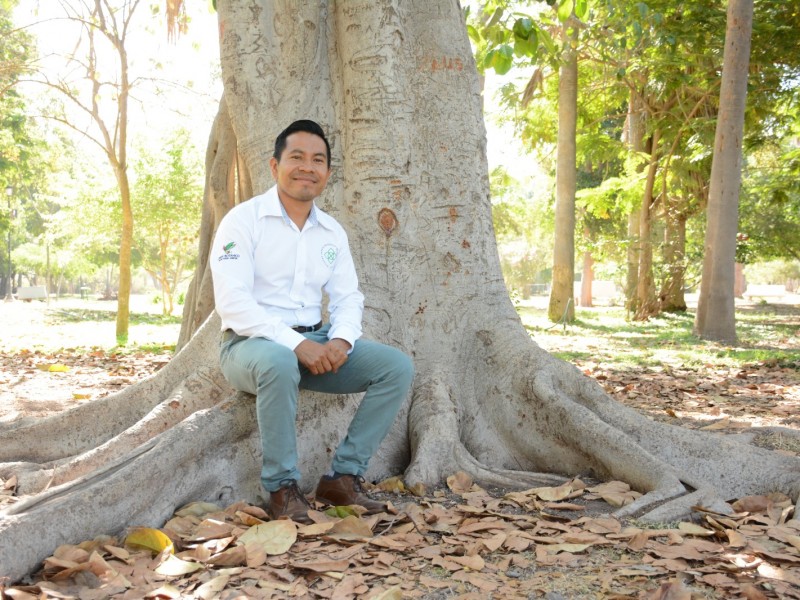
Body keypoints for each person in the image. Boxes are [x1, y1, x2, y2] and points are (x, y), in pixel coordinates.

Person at [210, 119, 414, 523]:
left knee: (396, 367)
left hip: (314, 344)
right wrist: (295, 344)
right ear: (274, 166)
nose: (308, 167)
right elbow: (232, 303)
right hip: (249, 347)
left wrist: (340, 341)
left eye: (318, 160)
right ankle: (282, 488)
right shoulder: (243, 220)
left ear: (328, 173)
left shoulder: (331, 232)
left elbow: (347, 296)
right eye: (297, 157)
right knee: (280, 360)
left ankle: (343, 478)